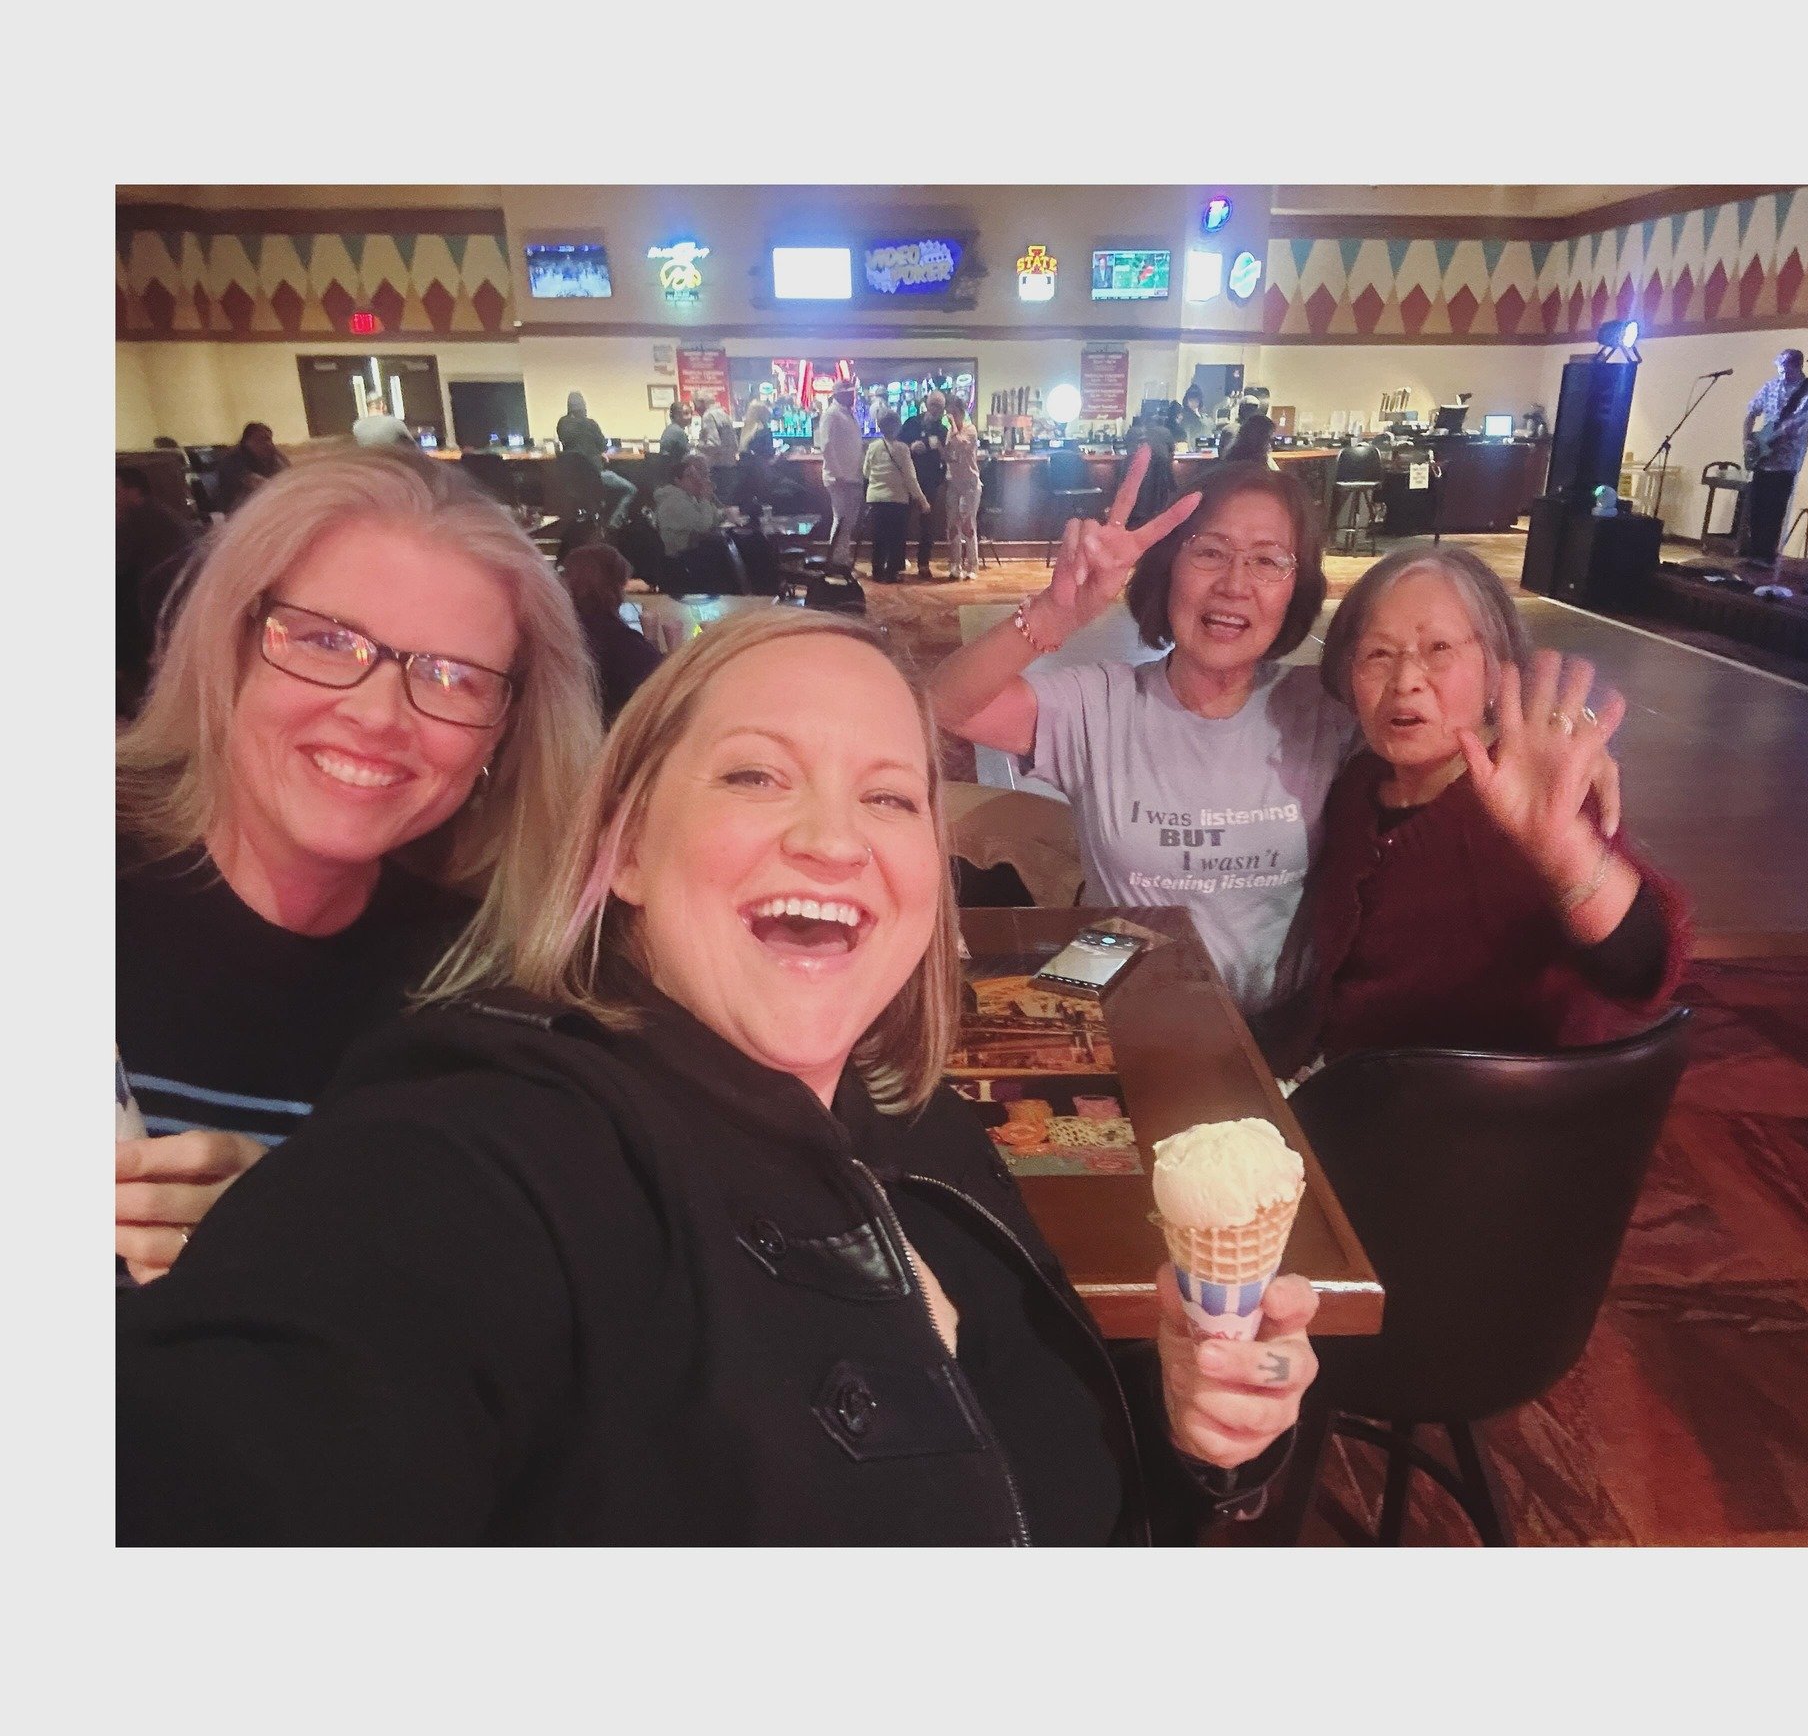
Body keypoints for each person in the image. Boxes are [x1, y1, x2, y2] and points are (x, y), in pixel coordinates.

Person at [115, 612, 1320, 1543]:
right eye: (754, 774)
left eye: (891, 795)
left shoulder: (918, 1120)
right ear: (623, 845)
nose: (834, 838)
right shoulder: (489, 1154)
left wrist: (1194, 1429)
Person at [114, 450, 601, 1283]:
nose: (378, 715)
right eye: (326, 640)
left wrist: (312, 1235)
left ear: (504, 731)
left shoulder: (491, 984)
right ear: (227, 645)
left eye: (451, 676)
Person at [929, 452, 1356, 1016]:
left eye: (1267, 561)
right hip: (1129, 1021)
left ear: (1296, 589)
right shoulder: (1101, 705)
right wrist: (1053, 618)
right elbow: (941, 705)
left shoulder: (1323, 708)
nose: (1235, 584)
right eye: (1210, 552)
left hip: (1279, 1037)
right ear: (1168, 567)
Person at [1263, 544, 1688, 1075]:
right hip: (1355, 1093)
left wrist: (1562, 852)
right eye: (1378, 654)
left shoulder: (1536, 793)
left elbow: (1642, 973)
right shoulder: (1360, 785)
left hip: (1489, 1126)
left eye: (1438, 648)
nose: (1406, 681)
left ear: (1496, 671)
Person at [115, 466, 198, 719]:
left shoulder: (138, 520)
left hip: (159, 611)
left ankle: (135, 715)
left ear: (132, 490)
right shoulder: (160, 513)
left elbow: (117, 567)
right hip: (178, 604)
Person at [1737, 349, 1808, 564]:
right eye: (1780, 370)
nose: (1782, 375)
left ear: (1798, 366)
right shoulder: (1771, 386)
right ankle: (1752, 553)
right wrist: (1747, 439)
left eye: (1786, 370)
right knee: (1756, 507)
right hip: (1762, 455)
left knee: (1775, 509)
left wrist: (1793, 427)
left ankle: (1767, 555)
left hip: (1787, 459)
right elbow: (1751, 413)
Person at [561, 542, 662, 723]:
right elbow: (662, 682)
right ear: (614, 587)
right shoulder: (619, 641)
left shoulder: (558, 629)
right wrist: (653, 640)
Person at [862, 408, 928, 583]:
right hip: (897, 499)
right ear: (898, 427)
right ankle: (892, 572)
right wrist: (922, 500)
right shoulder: (902, 449)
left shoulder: (873, 447)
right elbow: (910, 478)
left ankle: (877, 570)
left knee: (879, 536)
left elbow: (866, 472)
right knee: (896, 537)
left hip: (876, 498)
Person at [556, 391, 637, 533]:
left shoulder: (562, 424)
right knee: (630, 489)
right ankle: (613, 524)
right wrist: (599, 453)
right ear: (584, 407)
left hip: (573, 481)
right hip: (595, 476)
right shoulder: (590, 424)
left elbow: (567, 443)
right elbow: (603, 446)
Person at [652, 452, 733, 591]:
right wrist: (705, 499)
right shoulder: (674, 500)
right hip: (680, 563)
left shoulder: (688, 497)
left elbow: (711, 519)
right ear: (677, 480)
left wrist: (712, 505)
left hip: (691, 556)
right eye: (690, 476)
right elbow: (703, 526)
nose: (697, 479)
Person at [815, 378, 866, 570]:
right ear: (839, 395)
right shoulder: (831, 414)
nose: (853, 396)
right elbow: (826, 446)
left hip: (852, 476)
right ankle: (836, 560)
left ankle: (841, 557)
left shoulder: (846, 413)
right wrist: (838, 475)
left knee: (848, 521)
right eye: (849, 393)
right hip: (840, 478)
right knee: (841, 519)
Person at [900, 389, 951, 579]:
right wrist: (912, 447)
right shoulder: (911, 423)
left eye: (940, 406)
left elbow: (945, 457)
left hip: (929, 481)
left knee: (927, 524)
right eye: (933, 405)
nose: (936, 409)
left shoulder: (943, 430)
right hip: (907, 479)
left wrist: (939, 478)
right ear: (927, 404)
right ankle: (898, 561)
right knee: (902, 522)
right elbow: (897, 445)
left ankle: (923, 564)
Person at [940, 392, 983, 581]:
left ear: (960, 412)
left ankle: (972, 564)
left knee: (968, 525)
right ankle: (955, 563)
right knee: (952, 525)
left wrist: (953, 427)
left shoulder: (970, 429)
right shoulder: (951, 431)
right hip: (954, 483)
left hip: (970, 484)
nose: (951, 417)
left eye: (953, 413)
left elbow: (962, 445)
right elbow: (950, 454)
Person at [214, 422, 288, 515]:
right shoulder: (233, 460)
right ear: (247, 442)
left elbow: (288, 474)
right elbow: (257, 483)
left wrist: (277, 454)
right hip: (239, 514)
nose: (268, 444)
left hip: (263, 508)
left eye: (269, 439)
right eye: (261, 440)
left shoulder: (269, 457)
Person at [693, 389, 740, 503]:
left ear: (701, 402)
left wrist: (696, 446)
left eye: (695, 404)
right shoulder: (723, 414)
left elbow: (713, 444)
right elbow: (734, 442)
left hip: (717, 468)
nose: (695, 409)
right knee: (728, 503)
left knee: (718, 504)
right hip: (730, 465)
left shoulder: (708, 416)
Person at [656, 396, 694, 470]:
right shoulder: (678, 432)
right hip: (676, 471)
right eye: (686, 413)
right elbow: (687, 455)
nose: (690, 416)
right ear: (676, 416)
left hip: (667, 470)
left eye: (691, 413)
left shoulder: (670, 428)